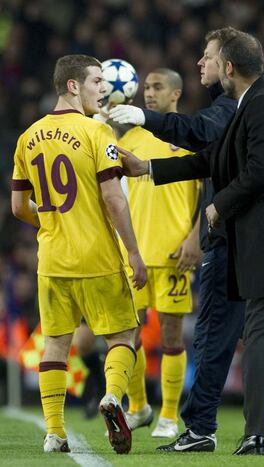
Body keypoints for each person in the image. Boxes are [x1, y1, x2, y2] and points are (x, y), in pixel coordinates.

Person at [119, 30, 264, 455]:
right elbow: (212, 159)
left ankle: (257, 434)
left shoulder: (263, 105)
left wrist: (216, 208)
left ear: (229, 67)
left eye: (208, 56)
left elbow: (258, 172)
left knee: (261, 334)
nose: (200, 62)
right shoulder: (246, 104)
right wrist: (149, 168)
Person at [10, 54, 147, 455]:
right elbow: (112, 198)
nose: (102, 89)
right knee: (122, 335)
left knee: (55, 343)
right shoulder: (96, 132)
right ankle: (112, 397)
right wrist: (134, 253)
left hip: (51, 260)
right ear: (73, 86)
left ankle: (54, 432)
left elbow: (19, 207)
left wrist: (54, 224)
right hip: (98, 258)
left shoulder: (27, 136)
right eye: (96, 81)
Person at [118, 67, 201, 439]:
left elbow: (207, 194)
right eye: (146, 87)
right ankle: (138, 408)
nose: (149, 93)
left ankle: (169, 415)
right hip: (134, 254)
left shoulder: (191, 137)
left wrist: (195, 239)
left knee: (170, 336)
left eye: (157, 87)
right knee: (127, 334)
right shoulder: (130, 139)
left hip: (173, 254)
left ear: (175, 94)